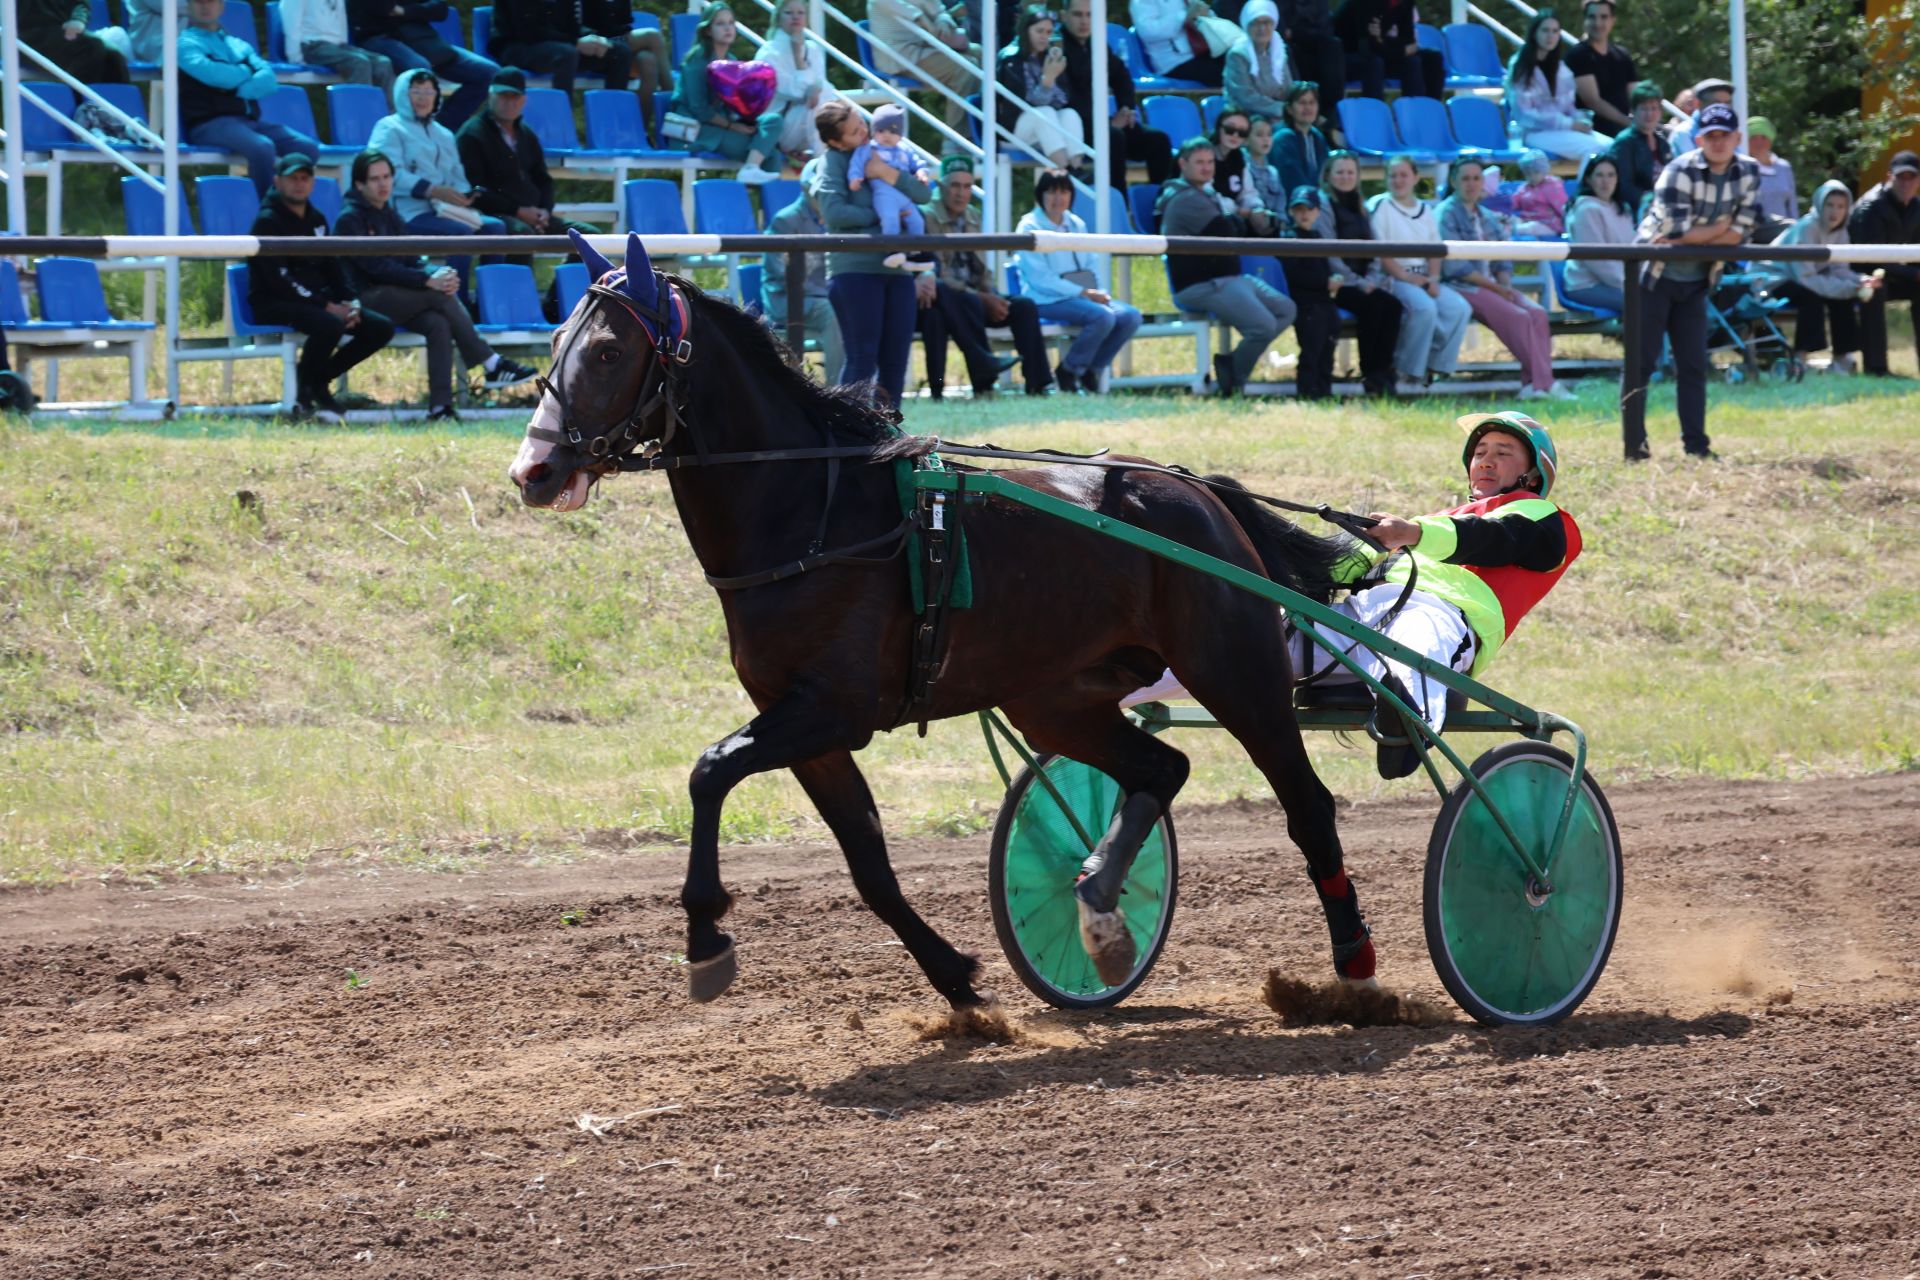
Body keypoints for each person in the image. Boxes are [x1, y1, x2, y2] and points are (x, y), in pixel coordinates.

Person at [1302, 413, 1579, 778]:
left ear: (1532, 474)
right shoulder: (1426, 524)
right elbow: (1329, 571)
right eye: (1480, 452)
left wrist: (1411, 533)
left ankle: (1410, 723)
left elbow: (1490, 538)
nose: (1486, 460)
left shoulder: (1544, 518)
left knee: (1418, 631)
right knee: (1256, 630)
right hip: (1360, 615)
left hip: (1443, 617)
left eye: (1504, 452)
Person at [334, 151, 539, 421]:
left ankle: (440, 407)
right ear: (359, 185)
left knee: (437, 323)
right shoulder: (350, 219)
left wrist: (437, 272)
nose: (383, 184)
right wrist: (428, 280)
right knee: (438, 296)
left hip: (396, 297)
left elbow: (412, 259)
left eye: (386, 177)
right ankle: (490, 363)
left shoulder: (390, 214)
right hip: (363, 301)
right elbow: (376, 268)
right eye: (375, 179)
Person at [1622, 101, 1759, 460]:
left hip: (1697, 280)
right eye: (1710, 135)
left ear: (1736, 138)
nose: (1717, 142)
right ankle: (1634, 447)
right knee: (1641, 364)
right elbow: (1673, 229)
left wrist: (1697, 236)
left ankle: (1697, 447)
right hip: (1652, 277)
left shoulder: (1748, 171)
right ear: (1698, 138)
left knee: (1694, 366)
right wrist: (1721, 230)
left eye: (1724, 135)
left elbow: (1742, 232)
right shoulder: (1678, 169)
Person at [248, 154, 397, 423]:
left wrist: (350, 301)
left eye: (305, 178)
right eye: (293, 178)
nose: (299, 184)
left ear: (313, 182)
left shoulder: (316, 219)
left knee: (380, 327)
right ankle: (304, 391)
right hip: (273, 301)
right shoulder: (267, 222)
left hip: (314, 300)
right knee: (329, 324)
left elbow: (332, 265)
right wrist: (326, 306)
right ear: (277, 181)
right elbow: (279, 280)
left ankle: (318, 380)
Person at [1155, 135, 1297, 396]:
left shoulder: (1205, 193)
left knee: (1286, 309)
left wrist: (1234, 217)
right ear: (1183, 164)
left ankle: (1232, 364)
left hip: (1229, 278)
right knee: (1263, 326)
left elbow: (1232, 229)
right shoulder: (1186, 198)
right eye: (1200, 162)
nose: (1207, 168)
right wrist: (1238, 218)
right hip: (1203, 284)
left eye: (1210, 162)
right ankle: (1234, 381)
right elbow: (1229, 230)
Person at [815, 101, 933, 405]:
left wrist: (885, 172)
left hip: (896, 270)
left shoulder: (887, 149)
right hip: (854, 269)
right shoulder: (832, 163)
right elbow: (834, 213)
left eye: (862, 123)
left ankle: (891, 438)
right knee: (862, 357)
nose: (865, 132)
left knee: (896, 360)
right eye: (855, 132)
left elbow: (923, 194)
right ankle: (847, 436)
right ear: (835, 142)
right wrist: (883, 215)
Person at [1437, 154, 1573, 401]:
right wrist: (1498, 289)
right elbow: (1456, 268)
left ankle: (1532, 385)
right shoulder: (1446, 214)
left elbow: (1503, 255)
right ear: (1454, 181)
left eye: (1476, 178)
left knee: (1537, 313)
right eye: (1465, 178)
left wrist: (1505, 284)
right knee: (1518, 317)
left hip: (1493, 286)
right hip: (1461, 286)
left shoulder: (1486, 215)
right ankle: (1545, 384)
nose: (1471, 184)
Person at [368, 67, 508, 302]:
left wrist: (464, 195)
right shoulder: (388, 127)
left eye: (429, 91)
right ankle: (458, 303)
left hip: (446, 211)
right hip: (406, 213)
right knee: (461, 234)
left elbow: (456, 174)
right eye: (416, 91)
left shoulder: (443, 133)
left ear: (437, 96)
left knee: (496, 228)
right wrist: (431, 190)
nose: (423, 97)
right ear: (403, 93)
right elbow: (388, 173)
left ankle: (490, 303)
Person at [917, 155, 1053, 397]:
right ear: (942, 187)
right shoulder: (926, 215)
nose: (961, 193)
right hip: (947, 297)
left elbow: (982, 267)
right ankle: (984, 382)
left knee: (1024, 306)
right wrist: (981, 297)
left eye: (967, 186)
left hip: (975, 297)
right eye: (955, 186)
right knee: (965, 300)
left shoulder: (973, 215)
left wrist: (992, 295)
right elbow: (939, 273)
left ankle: (1039, 383)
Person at [1015, 169, 1144, 393]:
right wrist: (1083, 293)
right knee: (1102, 317)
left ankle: (1091, 370)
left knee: (1130, 316)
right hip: (1046, 299)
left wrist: (1098, 291)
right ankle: (1070, 369)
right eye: (1052, 192)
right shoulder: (1028, 227)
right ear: (1040, 195)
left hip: (1082, 297)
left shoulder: (1076, 223)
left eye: (1064, 192)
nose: (1058, 198)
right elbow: (1041, 279)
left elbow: (1091, 264)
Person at [180, 0, 321, 196]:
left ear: (221, 6)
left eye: (211, 1)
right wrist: (247, 72)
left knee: (307, 148)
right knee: (263, 148)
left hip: (247, 122)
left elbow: (269, 80)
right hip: (209, 124)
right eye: (199, 2)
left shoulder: (238, 45)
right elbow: (215, 75)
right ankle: (268, 211)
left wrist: (234, 89)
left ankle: (288, 204)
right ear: (188, 6)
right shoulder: (183, 43)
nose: (205, 6)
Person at [456, 68, 603, 240]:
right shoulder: (472, 134)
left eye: (514, 97)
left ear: (523, 100)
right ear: (491, 96)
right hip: (493, 214)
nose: (509, 103)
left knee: (590, 238)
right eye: (504, 96)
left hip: (533, 215)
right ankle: (515, 268)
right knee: (523, 234)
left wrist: (544, 212)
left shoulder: (526, 134)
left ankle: (569, 268)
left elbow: (543, 180)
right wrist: (517, 211)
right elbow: (475, 190)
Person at [1368, 152, 1470, 392]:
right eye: (1393, 175)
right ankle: (1406, 372)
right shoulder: (1380, 206)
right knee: (1424, 308)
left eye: (1404, 175)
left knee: (1459, 308)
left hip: (1424, 276)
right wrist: (1412, 280)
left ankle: (1433, 369)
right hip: (1394, 277)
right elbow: (1382, 254)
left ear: (1415, 177)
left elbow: (1434, 250)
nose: (1398, 180)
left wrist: (1432, 279)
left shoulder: (1425, 209)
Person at [1758, 180, 1874, 375]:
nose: (1834, 212)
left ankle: (1841, 358)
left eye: (1840, 206)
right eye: (1830, 205)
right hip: (1772, 279)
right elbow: (1807, 278)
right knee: (1811, 296)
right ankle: (1800, 359)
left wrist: (1859, 281)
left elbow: (1839, 270)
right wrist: (1846, 288)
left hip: (1802, 279)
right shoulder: (1807, 228)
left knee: (1843, 297)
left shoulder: (1841, 232)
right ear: (1820, 204)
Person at [1313, 150, 1403, 396]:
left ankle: (1384, 370)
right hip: (1340, 283)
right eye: (1339, 172)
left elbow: (1374, 247)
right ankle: (1371, 374)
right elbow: (1329, 251)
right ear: (1328, 175)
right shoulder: (1324, 205)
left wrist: (1371, 279)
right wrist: (1356, 282)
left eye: (1350, 172)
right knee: (1371, 308)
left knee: (1393, 306)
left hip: (1366, 281)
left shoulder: (1361, 205)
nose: (1345, 177)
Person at [1059, 0, 1172, 188]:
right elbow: (1064, 97)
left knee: (1158, 141)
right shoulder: (1056, 46)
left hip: (1102, 124)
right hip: (1073, 128)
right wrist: (1109, 124)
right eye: (1078, 15)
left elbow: (1122, 76)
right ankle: (1118, 204)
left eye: (1090, 15)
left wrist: (1126, 108)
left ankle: (1161, 206)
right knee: (1113, 137)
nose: (1084, 21)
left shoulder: (1096, 44)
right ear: (1064, 16)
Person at [670, 2, 785, 185]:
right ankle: (754, 184)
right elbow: (699, 109)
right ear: (708, 30)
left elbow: (735, 102)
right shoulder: (696, 61)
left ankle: (750, 170)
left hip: (725, 123)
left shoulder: (731, 61)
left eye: (731, 23)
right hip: (697, 130)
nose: (727, 28)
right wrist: (733, 126)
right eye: (720, 24)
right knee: (771, 156)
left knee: (773, 121)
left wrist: (747, 120)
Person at [349, 0, 500, 130]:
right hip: (379, 38)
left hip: (423, 40)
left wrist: (405, 11)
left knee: (490, 73)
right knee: (420, 72)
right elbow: (383, 7)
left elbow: (440, 9)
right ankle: (414, 132)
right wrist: (417, 11)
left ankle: (441, 129)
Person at [760, 159, 846, 380]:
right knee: (834, 311)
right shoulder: (785, 221)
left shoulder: (833, 221)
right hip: (786, 298)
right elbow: (781, 271)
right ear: (807, 189)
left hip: (821, 296)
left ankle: (861, 383)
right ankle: (838, 391)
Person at [1850, 150, 1920, 378]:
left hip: (1896, 273)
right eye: (1901, 177)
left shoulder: (1917, 208)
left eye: (1911, 177)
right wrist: (1914, 274)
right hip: (1858, 276)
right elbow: (1870, 258)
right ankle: (1876, 368)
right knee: (1875, 287)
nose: (1906, 183)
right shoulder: (1871, 207)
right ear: (1889, 176)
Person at [995, 7, 1089, 175]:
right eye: (1039, 31)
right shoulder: (1010, 59)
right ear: (1026, 30)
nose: (1044, 37)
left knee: (1069, 114)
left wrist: (1053, 78)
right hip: (1015, 128)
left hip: (1045, 130)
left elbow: (1062, 101)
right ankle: (1065, 172)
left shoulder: (1049, 57)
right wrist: (1047, 81)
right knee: (1044, 113)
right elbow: (1024, 104)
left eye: (1048, 32)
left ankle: (1076, 168)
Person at [1507, 9, 1610, 159]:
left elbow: (1568, 108)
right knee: (1594, 148)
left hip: (1562, 130)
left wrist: (1580, 120)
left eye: (1555, 31)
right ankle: (1589, 183)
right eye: (1545, 30)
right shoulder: (1521, 66)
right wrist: (1568, 124)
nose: (1550, 36)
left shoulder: (1561, 69)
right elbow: (1525, 114)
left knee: (1613, 146)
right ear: (1534, 33)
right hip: (1534, 132)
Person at [844, 103, 936, 271]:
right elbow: (856, 163)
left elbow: (918, 164)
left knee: (917, 221)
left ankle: (915, 254)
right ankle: (892, 251)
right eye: (881, 130)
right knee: (890, 218)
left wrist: (922, 173)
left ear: (900, 135)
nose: (886, 135)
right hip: (884, 193)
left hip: (905, 197)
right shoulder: (869, 148)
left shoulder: (905, 149)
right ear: (874, 132)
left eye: (893, 131)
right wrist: (855, 177)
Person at [868, 0, 980, 136]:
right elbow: (920, 19)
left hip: (924, 48)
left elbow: (939, 11)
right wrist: (941, 30)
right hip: (901, 57)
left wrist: (943, 21)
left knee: (980, 53)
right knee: (965, 69)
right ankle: (958, 140)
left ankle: (986, 129)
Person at [489, 0, 631, 93]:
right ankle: (562, 123)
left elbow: (573, 25)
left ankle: (611, 124)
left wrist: (593, 38)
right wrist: (576, 43)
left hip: (557, 45)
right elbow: (528, 31)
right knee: (567, 54)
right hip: (517, 46)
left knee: (619, 53)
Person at [1279, 185, 1340, 400]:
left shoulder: (1317, 237)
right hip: (1305, 303)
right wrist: (1326, 283)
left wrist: (1330, 283)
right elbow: (1295, 276)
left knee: (1328, 347)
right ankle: (1307, 391)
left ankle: (1325, 390)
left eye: (1308, 209)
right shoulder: (1289, 239)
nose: (1304, 214)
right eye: (1299, 210)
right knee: (1312, 350)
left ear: (1317, 212)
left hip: (1323, 302)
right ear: (1291, 212)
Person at [756, 0, 834, 164]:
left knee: (829, 99)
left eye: (800, 13)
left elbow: (821, 83)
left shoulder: (812, 48)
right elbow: (796, 91)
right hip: (781, 126)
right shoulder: (768, 53)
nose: (795, 17)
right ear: (778, 18)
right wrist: (798, 55)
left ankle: (827, 158)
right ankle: (824, 162)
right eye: (789, 13)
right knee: (819, 100)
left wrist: (817, 87)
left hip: (810, 120)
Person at [1563, 152, 1634, 313]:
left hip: (1621, 282)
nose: (1605, 182)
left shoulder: (1622, 208)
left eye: (1611, 175)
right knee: (1645, 303)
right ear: (1589, 179)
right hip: (1586, 285)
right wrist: (1628, 283)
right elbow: (1596, 260)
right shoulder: (1586, 210)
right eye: (1599, 175)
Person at [1334, 0, 1444, 100]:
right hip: (1348, 55)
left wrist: (1384, 42)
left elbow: (1408, 40)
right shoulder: (1365, 3)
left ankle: (1426, 112)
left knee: (1430, 58)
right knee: (1375, 63)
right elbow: (1368, 45)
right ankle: (1375, 114)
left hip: (1381, 50)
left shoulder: (1405, 3)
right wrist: (1400, 49)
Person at [584, 0, 673, 117]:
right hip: (599, 45)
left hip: (623, 46)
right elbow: (590, 25)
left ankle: (640, 130)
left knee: (647, 60)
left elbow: (626, 20)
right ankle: (674, 102)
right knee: (653, 36)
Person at [282, 0, 394, 88]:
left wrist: (344, 46)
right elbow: (291, 24)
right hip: (312, 45)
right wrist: (295, 56)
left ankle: (388, 115)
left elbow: (341, 24)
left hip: (337, 47)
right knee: (358, 62)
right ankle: (360, 115)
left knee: (383, 63)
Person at [1564, 0, 1634, 132]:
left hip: (1625, 127)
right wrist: (1630, 123)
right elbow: (1593, 102)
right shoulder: (1578, 55)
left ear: (1613, 20)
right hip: (1592, 129)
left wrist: (1645, 122)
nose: (1598, 23)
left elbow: (1636, 96)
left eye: (1604, 17)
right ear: (1584, 20)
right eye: (1592, 17)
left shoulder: (1623, 55)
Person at [20, 0, 130, 83]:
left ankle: (118, 110)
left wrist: (78, 19)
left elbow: (80, 4)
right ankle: (81, 107)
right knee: (90, 48)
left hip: (63, 31)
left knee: (114, 57)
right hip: (28, 36)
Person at [1606, 79, 1669, 215]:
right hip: (1637, 211)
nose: (1649, 114)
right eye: (1644, 108)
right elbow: (1623, 186)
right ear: (1633, 111)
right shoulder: (1624, 143)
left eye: (1654, 108)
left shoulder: (1663, 142)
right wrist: (1650, 201)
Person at [1131, 0, 1229, 86]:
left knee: (1239, 61)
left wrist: (1207, 14)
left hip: (1203, 52)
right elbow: (1149, 32)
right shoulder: (1141, 2)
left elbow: (1205, 17)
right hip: (1175, 62)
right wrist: (1183, 16)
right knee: (1228, 74)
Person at [1224, 0, 1291, 124]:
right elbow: (1246, 97)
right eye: (1255, 23)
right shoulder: (1237, 55)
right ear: (1246, 25)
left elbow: (1288, 89)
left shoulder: (1279, 51)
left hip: (1277, 117)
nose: (1262, 28)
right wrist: (1284, 109)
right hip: (1247, 118)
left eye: (1267, 22)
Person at [1277, 0, 1348, 117]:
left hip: (1314, 47)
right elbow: (1281, 31)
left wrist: (1295, 33)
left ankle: (1331, 114)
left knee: (1333, 46)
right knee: (1288, 50)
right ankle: (1301, 105)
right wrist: (1299, 34)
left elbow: (1325, 31)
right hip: (1291, 49)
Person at [1211, 110, 1275, 233]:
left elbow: (1248, 193)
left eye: (1242, 133)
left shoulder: (1239, 158)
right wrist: (1237, 210)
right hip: (1208, 215)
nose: (1235, 135)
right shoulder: (1205, 153)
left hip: (1233, 216)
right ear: (1219, 128)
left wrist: (1256, 208)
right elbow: (1205, 194)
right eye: (1230, 130)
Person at [1272, 81, 1332, 198]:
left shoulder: (1317, 136)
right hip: (1296, 203)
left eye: (1312, 102)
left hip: (1318, 200)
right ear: (1289, 109)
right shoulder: (1283, 139)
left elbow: (1327, 171)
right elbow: (1293, 182)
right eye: (1302, 102)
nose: (1308, 107)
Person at [1745, 117, 1798, 224]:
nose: (1759, 142)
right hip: (1753, 233)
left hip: (1783, 234)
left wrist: (1796, 231)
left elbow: (1792, 204)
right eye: (1753, 137)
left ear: (1771, 139)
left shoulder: (1784, 167)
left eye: (1764, 137)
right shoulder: (1743, 168)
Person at [1509, 148, 1568, 237]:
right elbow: (1514, 203)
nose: (1532, 176)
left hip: (1548, 224)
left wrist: (1567, 224)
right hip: (1526, 220)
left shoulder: (1552, 186)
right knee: (1513, 220)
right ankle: (1510, 229)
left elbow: (1562, 207)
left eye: (1536, 173)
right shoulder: (1525, 187)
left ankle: (1513, 230)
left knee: (1532, 227)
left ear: (1544, 171)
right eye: (1528, 173)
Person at [1666, 76, 1730, 155]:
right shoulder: (1683, 133)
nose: (1723, 108)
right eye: (1717, 103)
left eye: (1727, 103)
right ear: (1698, 103)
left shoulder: (1730, 131)